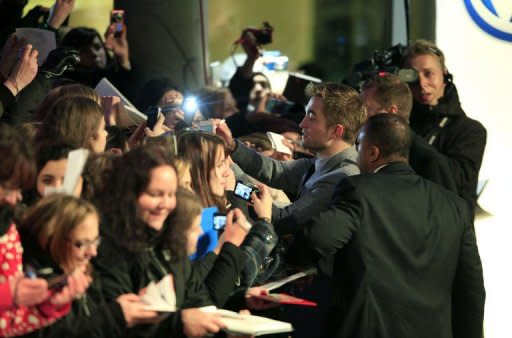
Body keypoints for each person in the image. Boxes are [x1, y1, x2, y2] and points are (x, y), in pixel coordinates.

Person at [293, 114, 485, 338]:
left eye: (359, 147)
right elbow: (471, 291)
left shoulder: (359, 190)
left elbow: (317, 239)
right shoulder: (455, 207)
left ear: (372, 152)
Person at [92, 144, 246, 337]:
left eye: (171, 194)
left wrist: (237, 316)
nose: (165, 204)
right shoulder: (104, 251)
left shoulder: (170, 243)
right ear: (128, 193)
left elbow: (199, 302)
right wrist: (178, 324)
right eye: (155, 194)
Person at [216, 82, 365, 236]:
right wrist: (232, 146)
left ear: (336, 131)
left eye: (312, 118)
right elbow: (276, 172)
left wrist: (232, 177)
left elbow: (283, 219)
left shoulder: (342, 177)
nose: (302, 124)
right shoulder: (325, 161)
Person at [19, 194, 160, 338]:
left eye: (95, 241)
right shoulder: (32, 286)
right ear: (50, 238)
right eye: (81, 244)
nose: (93, 252)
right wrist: (113, 316)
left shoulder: (83, 270)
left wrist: (132, 313)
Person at [0, 124, 90, 337]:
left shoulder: (6, 229)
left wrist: (48, 305)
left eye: (17, 188)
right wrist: (8, 294)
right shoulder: (20, 228)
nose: (14, 198)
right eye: (6, 186)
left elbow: (8, 323)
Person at [402, 39, 486, 217]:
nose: (422, 84)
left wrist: (404, 134)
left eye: (428, 73)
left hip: (450, 234)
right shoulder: (402, 124)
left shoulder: (471, 131)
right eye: (414, 76)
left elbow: (455, 181)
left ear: (445, 75)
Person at [360, 73, 457, 192]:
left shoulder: (430, 162)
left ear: (391, 112)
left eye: (365, 109)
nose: (359, 117)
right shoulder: (363, 150)